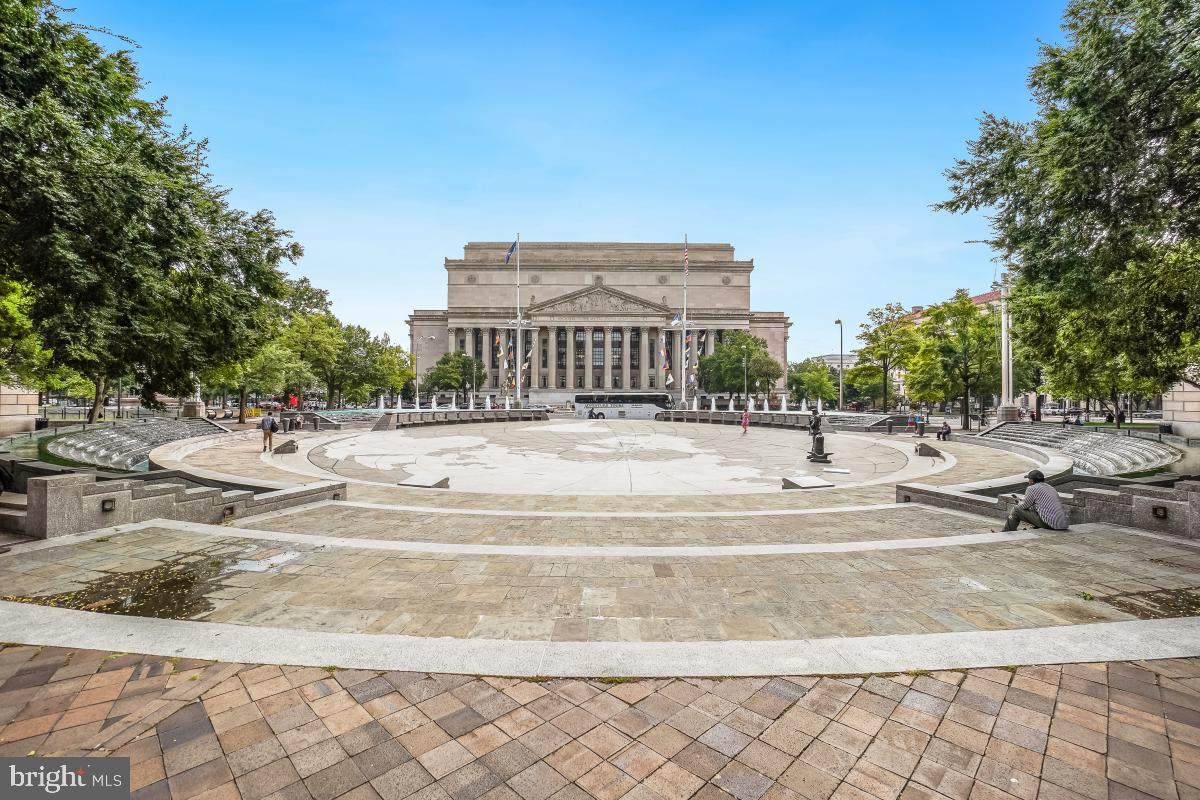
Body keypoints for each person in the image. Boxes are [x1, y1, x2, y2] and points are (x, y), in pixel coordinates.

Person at [1002, 470, 1069, 532]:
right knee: (1033, 509)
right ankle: (1035, 528)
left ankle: (1006, 532)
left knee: (1016, 509)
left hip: (1051, 525)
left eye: (1029, 479)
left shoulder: (1031, 488)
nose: (1028, 481)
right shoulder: (1051, 488)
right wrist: (1022, 500)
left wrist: (1018, 502)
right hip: (1063, 524)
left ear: (1032, 481)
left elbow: (1024, 506)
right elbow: (1038, 504)